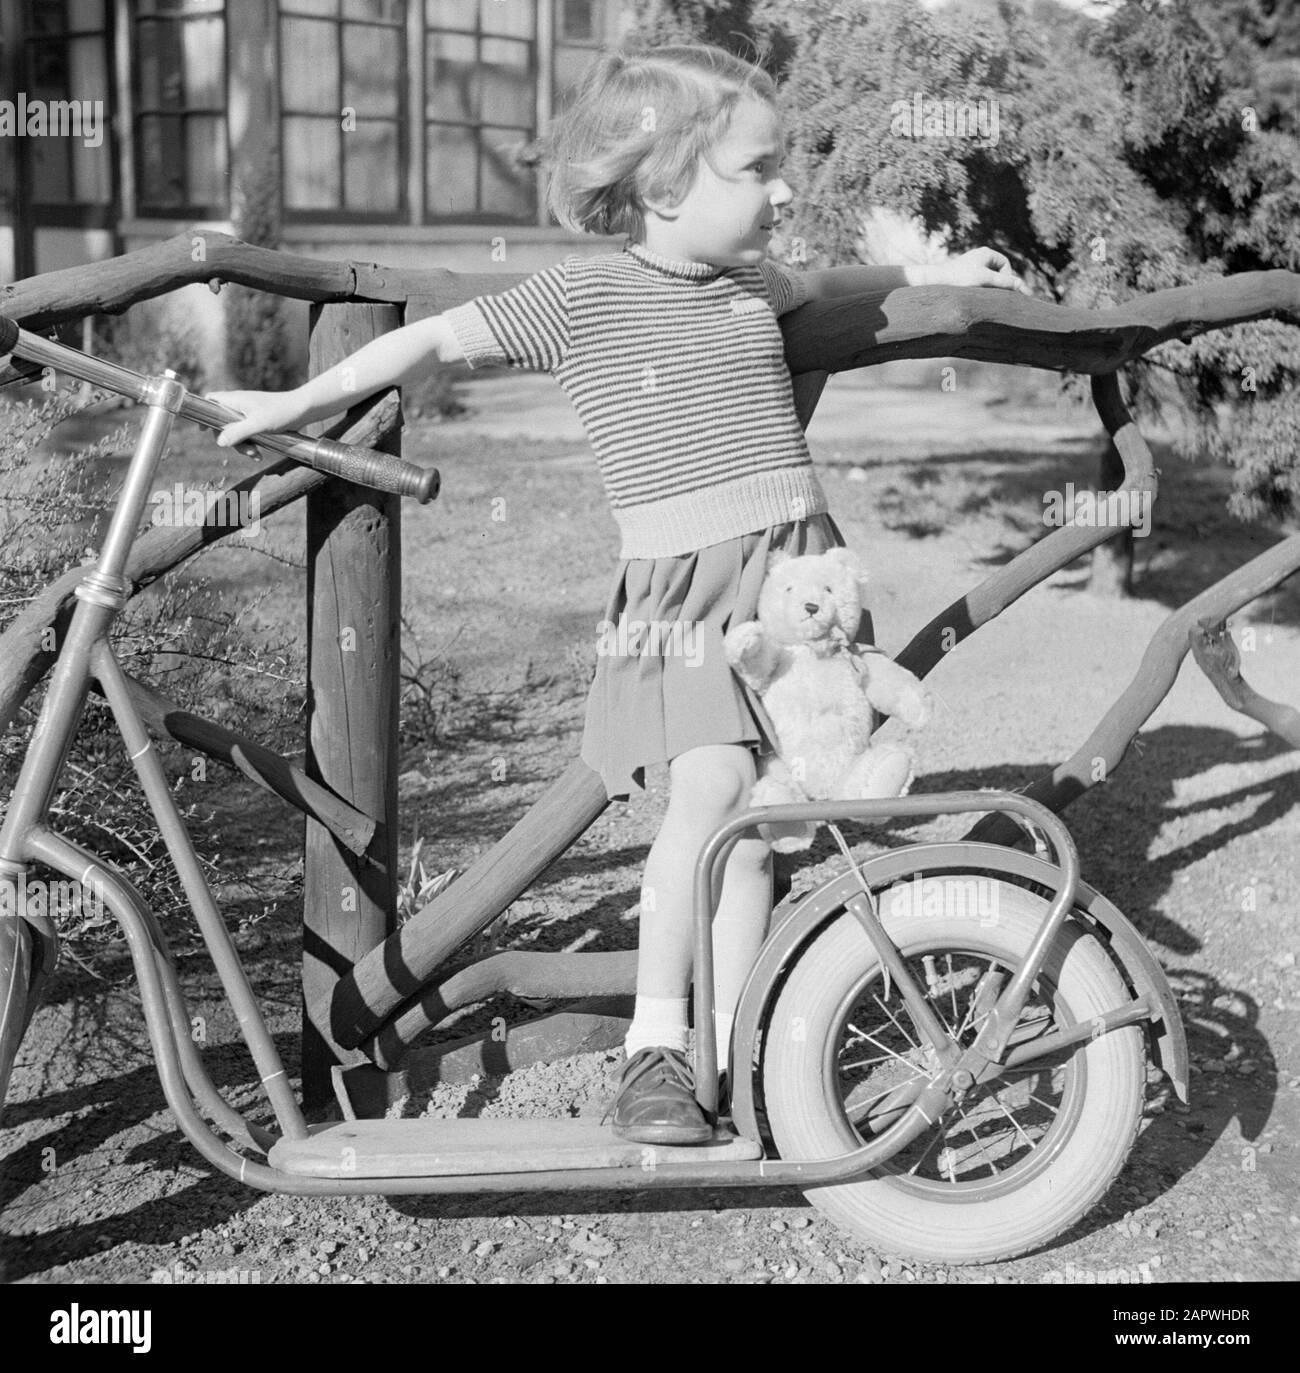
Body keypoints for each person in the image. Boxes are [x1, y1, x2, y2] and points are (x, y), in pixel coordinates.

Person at [209, 43, 1026, 1146]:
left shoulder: (748, 282)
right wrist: (294, 399)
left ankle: (740, 1055)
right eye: (758, 168)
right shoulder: (582, 297)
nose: (786, 189)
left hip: (790, 581)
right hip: (681, 598)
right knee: (709, 791)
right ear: (665, 185)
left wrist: (939, 278)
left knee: (760, 826)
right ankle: (654, 1049)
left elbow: (832, 286)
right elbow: (428, 338)